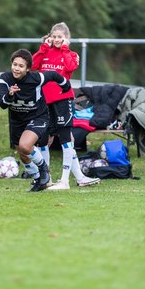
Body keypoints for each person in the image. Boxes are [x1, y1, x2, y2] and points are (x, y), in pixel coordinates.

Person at [32, 22, 100, 189]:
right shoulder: (45, 51)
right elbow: (32, 66)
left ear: (66, 39)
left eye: (60, 37)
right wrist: (43, 48)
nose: (56, 40)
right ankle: (48, 178)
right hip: (44, 102)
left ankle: (64, 181)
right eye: (54, 36)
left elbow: (70, 67)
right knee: (44, 140)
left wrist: (64, 49)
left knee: (65, 138)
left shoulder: (71, 54)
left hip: (62, 101)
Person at [0, 48, 71, 192]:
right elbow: (2, 104)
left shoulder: (36, 79)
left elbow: (53, 75)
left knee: (25, 146)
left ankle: (44, 171)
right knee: (23, 154)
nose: (16, 68)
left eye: (21, 66)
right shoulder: (5, 78)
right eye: (15, 64)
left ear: (28, 69)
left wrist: (65, 85)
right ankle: (39, 179)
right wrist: (10, 95)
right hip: (17, 120)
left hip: (37, 117)